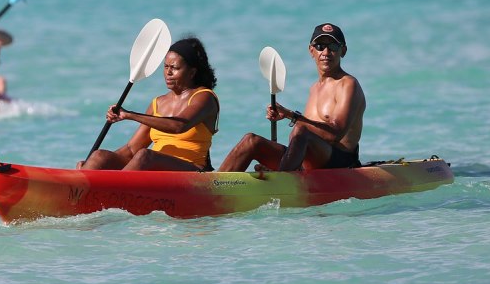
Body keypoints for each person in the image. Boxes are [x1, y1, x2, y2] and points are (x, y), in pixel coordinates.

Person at [219, 23, 365, 172]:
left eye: (333, 46)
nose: (326, 52)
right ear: (311, 50)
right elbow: (305, 136)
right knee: (251, 141)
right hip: (310, 161)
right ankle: (214, 186)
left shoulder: (348, 84)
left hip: (340, 161)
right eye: (320, 46)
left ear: (343, 51)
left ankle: (280, 180)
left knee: (300, 129)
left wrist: (291, 115)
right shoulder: (314, 88)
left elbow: (335, 133)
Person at [78, 36, 219, 171]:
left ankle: (111, 190)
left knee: (145, 155)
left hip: (192, 171)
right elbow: (131, 149)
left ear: (192, 72)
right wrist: (96, 162)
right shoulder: (158, 103)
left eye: (175, 68)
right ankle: (79, 186)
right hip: (156, 171)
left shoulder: (204, 97)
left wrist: (129, 115)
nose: (168, 73)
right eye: (165, 67)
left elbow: (179, 125)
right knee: (99, 155)